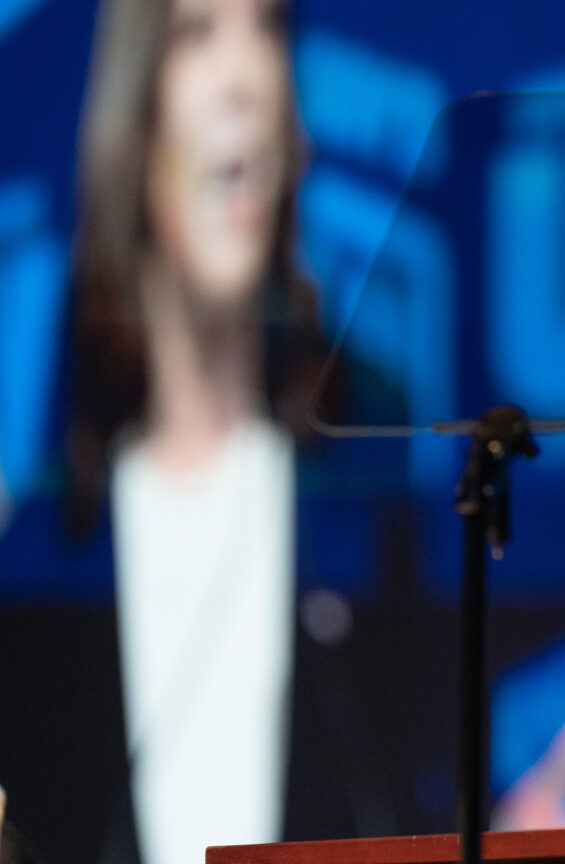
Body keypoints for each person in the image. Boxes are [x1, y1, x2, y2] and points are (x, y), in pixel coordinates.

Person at [58, 0, 333, 861]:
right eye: (196, 32)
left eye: (269, 29)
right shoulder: (49, 538)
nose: (243, 76)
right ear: (131, 122)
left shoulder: (374, 505)